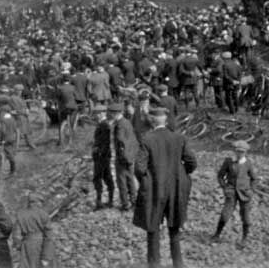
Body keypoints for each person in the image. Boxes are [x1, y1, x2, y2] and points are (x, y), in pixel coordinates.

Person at [133, 107, 197, 268]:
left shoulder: (147, 139)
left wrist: (147, 181)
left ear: (151, 120)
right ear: (165, 120)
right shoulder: (179, 138)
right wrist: (181, 175)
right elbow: (192, 162)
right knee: (174, 227)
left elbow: (139, 168)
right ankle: (178, 263)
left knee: (152, 227)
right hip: (176, 188)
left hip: (155, 189)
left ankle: (154, 264)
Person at [212, 140, 258, 249]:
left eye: (242, 152)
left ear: (246, 152)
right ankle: (217, 235)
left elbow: (254, 179)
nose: (240, 153)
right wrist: (225, 187)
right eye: (238, 151)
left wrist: (251, 190)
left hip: (245, 194)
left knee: (246, 218)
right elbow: (220, 176)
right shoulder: (229, 161)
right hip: (231, 192)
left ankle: (244, 239)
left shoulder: (248, 163)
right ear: (235, 151)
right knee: (225, 215)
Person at [12, 192, 55, 268]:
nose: (41, 204)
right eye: (41, 202)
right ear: (38, 202)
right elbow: (49, 237)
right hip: (41, 245)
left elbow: (16, 236)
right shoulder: (43, 214)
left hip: (26, 246)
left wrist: (20, 248)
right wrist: (46, 256)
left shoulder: (21, 214)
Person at [109, 101, 139, 211]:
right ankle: (134, 200)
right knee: (130, 179)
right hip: (131, 155)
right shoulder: (127, 122)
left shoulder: (119, 125)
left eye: (111, 113)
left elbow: (121, 141)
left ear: (113, 113)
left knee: (121, 181)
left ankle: (125, 204)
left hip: (123, 157)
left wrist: (122, 157)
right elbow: (132, 140)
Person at [91, 104, 114, 210]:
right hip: (103, 156)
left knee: (98, 178)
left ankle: (100, 201)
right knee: (106, 177)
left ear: (101, 114)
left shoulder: (104, 125)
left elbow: (105, 142)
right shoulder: (103, 124)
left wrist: (99, 152)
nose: (95, 116)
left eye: (96, 114)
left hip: (102, 157)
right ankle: (109, 200)